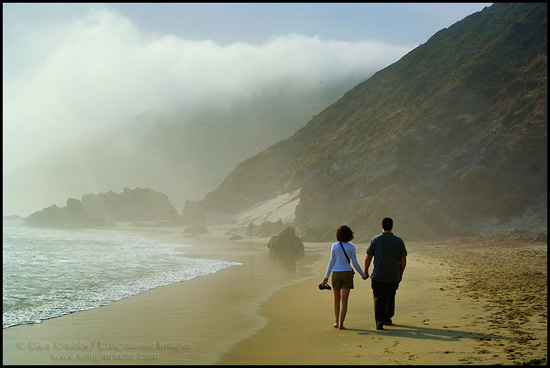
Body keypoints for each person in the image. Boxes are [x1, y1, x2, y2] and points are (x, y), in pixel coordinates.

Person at [364, 217, 407, 330]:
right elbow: (403, 259)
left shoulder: (375, 240)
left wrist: (365, 271)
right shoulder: (399, 241)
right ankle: (388, 317)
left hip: (379, 275)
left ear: (381, 226)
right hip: (393, 275)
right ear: (392, 226)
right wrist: (400, 273)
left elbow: (368, 257)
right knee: (391, 296)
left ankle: (379, 320)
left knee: (378, 298)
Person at [322, 225, 368, 330]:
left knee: (336, 299)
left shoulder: (334, 246)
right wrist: (363, 274)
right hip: (347, 274)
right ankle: (341, 324)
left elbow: (331, 261)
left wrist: (326, 276)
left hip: (336, 274)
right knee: (344, 300)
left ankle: (336, 321)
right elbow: (355, 263)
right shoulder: (351, 247)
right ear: (349, 235)